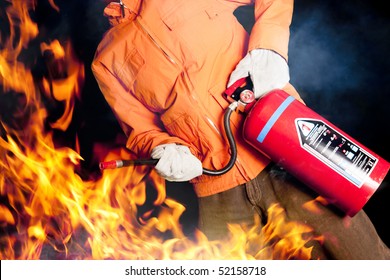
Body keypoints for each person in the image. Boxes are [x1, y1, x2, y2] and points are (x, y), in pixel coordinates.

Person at [92, 0, 389, 259]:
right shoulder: (106, 60)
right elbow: (140, 129)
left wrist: (269, 50)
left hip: (286, 150)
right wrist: (163, 148)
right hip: (216, 189)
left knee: (366, 259)